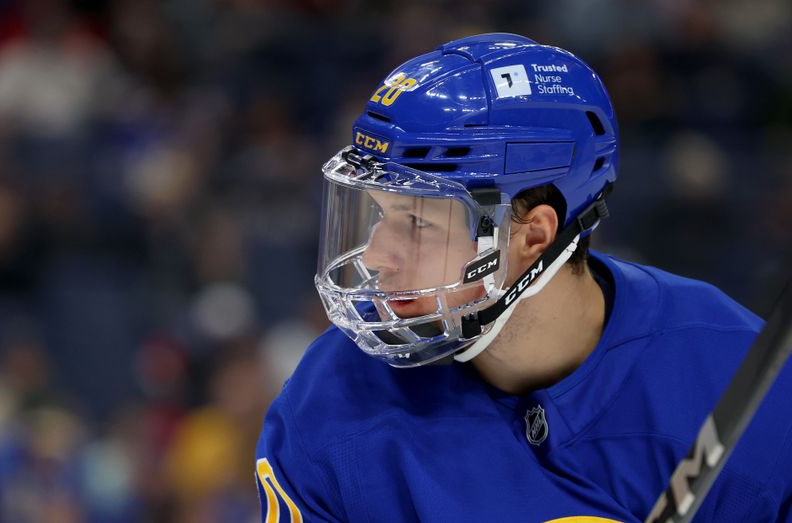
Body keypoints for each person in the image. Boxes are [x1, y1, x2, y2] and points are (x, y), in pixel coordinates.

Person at [254, 33, 792, 522]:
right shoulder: (332, 398)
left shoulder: (747, 390)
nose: (376, 256)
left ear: (533, 234)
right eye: (379, 213)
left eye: (418, 223)